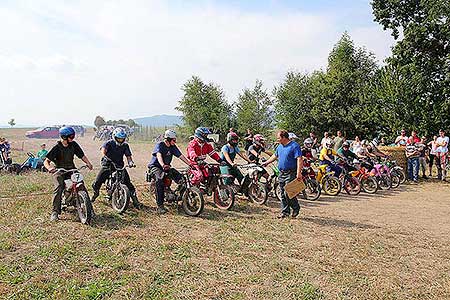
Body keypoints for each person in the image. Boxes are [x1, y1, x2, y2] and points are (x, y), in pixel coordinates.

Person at [44, 127, 93, 221]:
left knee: (81, 184)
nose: (73, 138)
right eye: (71, 136)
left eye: (73, 136)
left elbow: (81, 155)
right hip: (59, 171)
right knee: (59, 187)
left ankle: (89, 208)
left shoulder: (73, 145)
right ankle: (55, 212)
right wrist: (49, 168)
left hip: (71, 169)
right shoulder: (56, 147)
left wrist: (88, 163)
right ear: (64, 137)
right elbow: (46, 161)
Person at [91, 127, 142, 209]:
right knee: (99, 180)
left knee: (128, 183)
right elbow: (103, 150)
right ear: (114, 137)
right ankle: (95, 193)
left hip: (119, 165)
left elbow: (128, 156)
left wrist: (130, 162)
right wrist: (104, 156)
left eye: (122, 139)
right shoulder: (109, 143)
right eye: (118, 138)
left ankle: (136, 202)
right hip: (108, 164)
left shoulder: (125, 145)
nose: (120, 140)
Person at [148, 129, 192, 214]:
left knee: (182, 179)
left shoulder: (173, 147)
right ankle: (160, 206)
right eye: (174, 140)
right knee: (160, 181)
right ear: (168, 139)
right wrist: (163, 165)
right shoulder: (160, 145)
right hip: (156, 166)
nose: (175, 142)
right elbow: (159, 155)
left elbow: (181, 156)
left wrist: (190, 164)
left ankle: (179, 196)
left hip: (166, 167)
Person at [262, 130, 303, 219]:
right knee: (282, 193)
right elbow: (275, 156)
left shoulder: (294, 146)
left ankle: (296, 207)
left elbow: (299, 159)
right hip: (281, 173)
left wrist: (298, 173)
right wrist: (267, 162)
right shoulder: (280, 146)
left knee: (288, 192)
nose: (277, 139)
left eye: (278, 138)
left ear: (284, 137)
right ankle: (285, 212)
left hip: (291, 172)